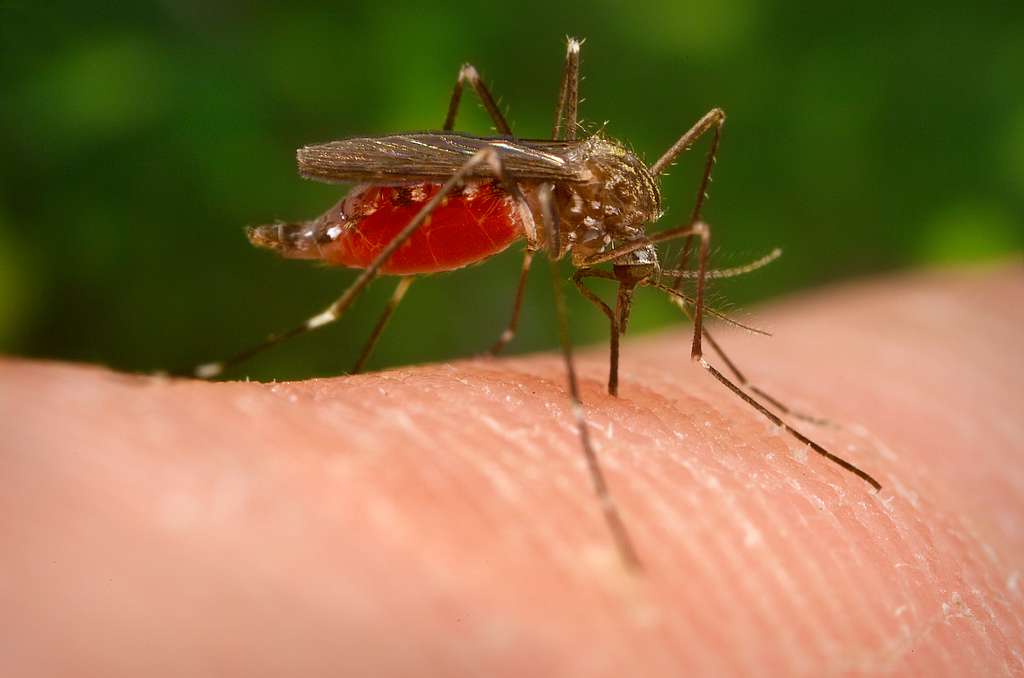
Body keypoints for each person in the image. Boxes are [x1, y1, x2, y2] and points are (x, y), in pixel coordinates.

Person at [1, 263, 1021, 676]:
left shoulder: (632, 240)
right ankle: (335, 322)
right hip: (475, 190)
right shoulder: (571, 217)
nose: (630, 293)